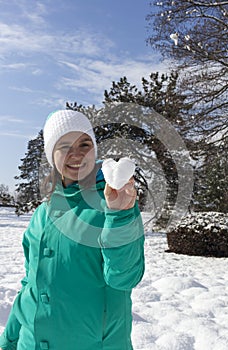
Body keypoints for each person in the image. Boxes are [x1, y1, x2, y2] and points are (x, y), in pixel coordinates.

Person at [0, 109, 145, 350]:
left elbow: (124, 278)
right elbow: (30, 285)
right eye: (64, 145)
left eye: (84, 144)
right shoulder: (41, 214)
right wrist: (9, 339)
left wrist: (119, 217)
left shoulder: (114, 204)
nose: (76, 154)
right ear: (51, 155)